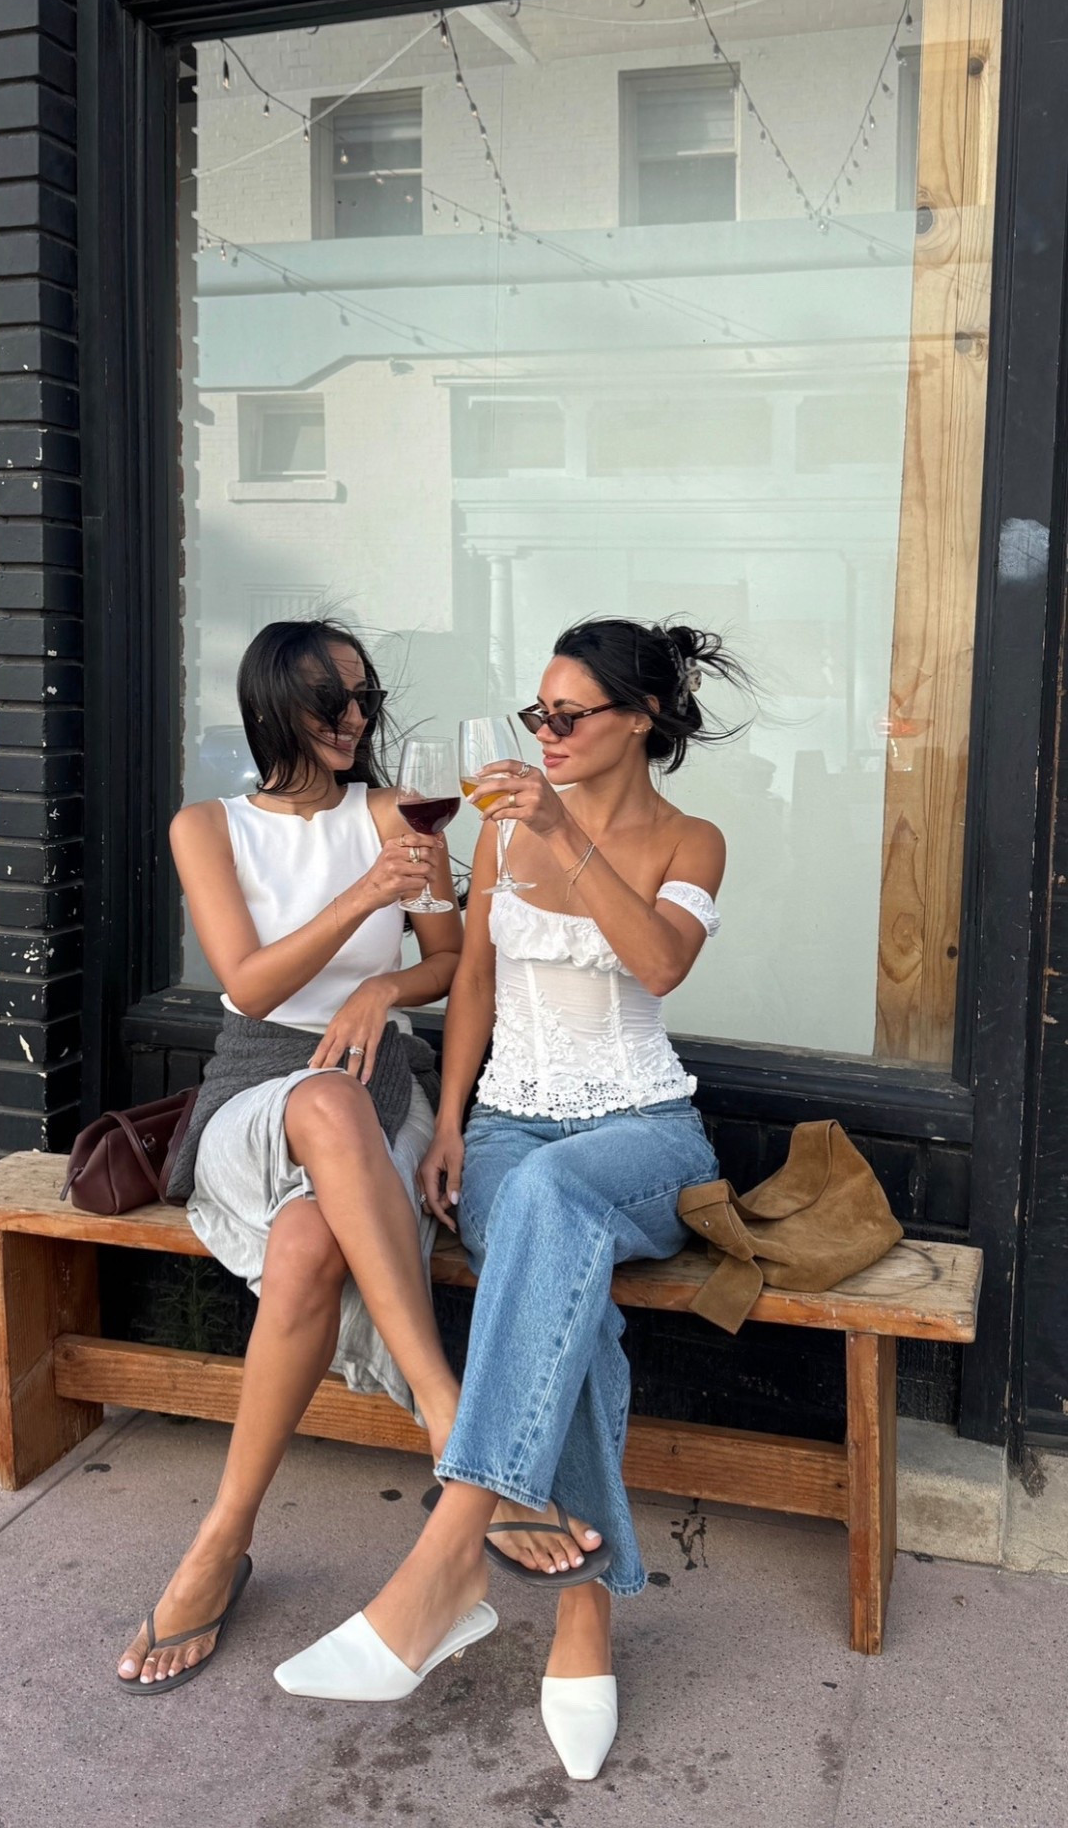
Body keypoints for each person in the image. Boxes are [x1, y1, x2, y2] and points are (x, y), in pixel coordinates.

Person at [274, 616, 742, 1783]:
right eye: (537, 714)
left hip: (643, 1133)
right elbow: (473, 977)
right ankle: (582, 1617)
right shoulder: (495, 835)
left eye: (568, 715)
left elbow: (661, 963)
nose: (546, 735)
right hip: (507, 1133)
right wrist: (455, 1123)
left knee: (556, 1202)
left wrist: (564, 836)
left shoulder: (693, 837)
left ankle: (447, 1558)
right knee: (543, 1221)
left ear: (638, 719)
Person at [117, 619, 463, 1693]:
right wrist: (364, 899)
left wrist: (381, 984)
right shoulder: (205, 826)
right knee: (318, 1095)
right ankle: (446, 1406)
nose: (355, 720)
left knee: (314, 1236)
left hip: (380, 1085)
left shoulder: (404, 813)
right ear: (274, 705)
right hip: (254, 1090)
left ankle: (221, 1537)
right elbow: (253, 984)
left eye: (364, 696)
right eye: (330, 702)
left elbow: (447, 963)